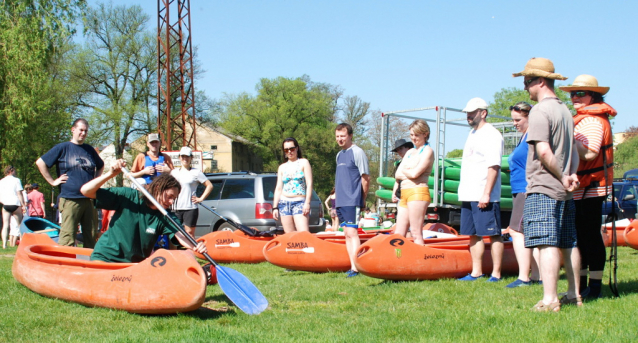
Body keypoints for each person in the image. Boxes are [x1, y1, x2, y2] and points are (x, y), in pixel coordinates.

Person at [514, 57, 581, 311]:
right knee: (568, 242)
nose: (525, 88)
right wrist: (571, 174)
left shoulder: (540, 111)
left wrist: (563, 176)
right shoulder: (565, 111)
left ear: (540, 81)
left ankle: (550, 299)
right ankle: (574, 294)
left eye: (527, 82)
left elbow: (542, 151)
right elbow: (573, 150)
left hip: (544, 187)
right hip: (564, 190)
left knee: (546, 242)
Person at [80, 159, 207, 263]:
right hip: (106, 257)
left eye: (174, 199)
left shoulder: (165, 216)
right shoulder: (129, 196)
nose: (171, 202)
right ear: (157, 188)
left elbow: (181, 235)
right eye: (169, 196)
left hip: (135, 264)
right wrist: (111, 174)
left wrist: (195, 245)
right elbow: (86, 191)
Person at [560, 75, 615, 299]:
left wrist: (570, 140)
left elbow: (591, 152)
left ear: (593, 95)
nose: (575, 97)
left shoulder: (592, 121)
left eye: (580, 93)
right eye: (573, 93)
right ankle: (582, 284)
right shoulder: (583, 118)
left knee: (589, 236)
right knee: (580, 237)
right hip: (582, 187)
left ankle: (594, 286)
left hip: (591, 186)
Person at [457, 97, 504, 282]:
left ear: (483, 113)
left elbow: (494, 166)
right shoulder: (472, 134)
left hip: (485, 195)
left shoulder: (492, 134)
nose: (468, 116)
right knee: (473, 234)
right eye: (467, 113)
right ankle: (476, 272)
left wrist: (486, 193)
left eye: (472, 112)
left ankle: (497, 273)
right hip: (469, 193)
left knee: (493, 234)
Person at [36, 118, 104, 248]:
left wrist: (96, 182)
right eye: (81, 130)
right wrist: (52, 181)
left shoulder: (89, 150)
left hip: (89, 199)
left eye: (86, 131)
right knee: (68, 237)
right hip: (70, 198)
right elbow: (40, 162)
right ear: (73, 130)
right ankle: (64, 265)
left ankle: (89, 266)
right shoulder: (63, 148)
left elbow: (101, 165)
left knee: (91, 236)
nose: (83, 133)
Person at [505, 102, 542, 288]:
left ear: (530, 117)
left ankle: (523, 277)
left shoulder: (532, 138)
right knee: (527, 234)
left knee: (516, 231)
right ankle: (536, 276)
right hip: (519, 189)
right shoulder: (523, 137)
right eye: (513, 120)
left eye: (518, 119)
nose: (514, 123)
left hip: (525, 189)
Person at [334, 123, 370, 277]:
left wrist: (362, 199)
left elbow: (366, 178)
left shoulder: (358, 152)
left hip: (352, 200)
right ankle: (352, 266)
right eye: (337, 136)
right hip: (340, 201)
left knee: (352, 232)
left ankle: (358, 267)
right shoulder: (339, 155)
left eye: (343, 136)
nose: (340, 139)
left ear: (350, 136)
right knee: (346, 233)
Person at [393, 120, 434, 245]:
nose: (413, 138)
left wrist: (408, 171)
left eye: (416, 135)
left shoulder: (428, 151)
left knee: (416, 233)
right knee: (398, 233)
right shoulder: (410, 152)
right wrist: (409, 172)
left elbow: (416, 173)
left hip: (418, 192)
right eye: (411, 135)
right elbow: (397, 174)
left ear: (425, 134)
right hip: (404, 193)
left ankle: (421, 262)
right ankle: (398, 260)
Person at [273, 138, 314, 233]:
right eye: (286, 150)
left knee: (303, 234)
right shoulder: (282, 167)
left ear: (297, 148)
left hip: (299, 202)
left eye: (292, 149)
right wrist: (275, 207)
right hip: (284, 203)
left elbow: (309, 183)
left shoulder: (304, 162)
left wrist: (307, 203)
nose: (289, 152)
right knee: (290, 236)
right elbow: (278, 188)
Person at [170, 146, 214, 236]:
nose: (185, 159)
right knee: (174, 234)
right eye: (183, 156)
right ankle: (175, 251)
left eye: (187, 156)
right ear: (179, 157)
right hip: (175, 208)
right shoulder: (174, 172)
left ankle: (190, 250)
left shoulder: (196, 172)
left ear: (191, 158)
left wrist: (200, 198)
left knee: (189, 234)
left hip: (190, 208)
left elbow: (209, 185)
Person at [0, 166, 27, 248]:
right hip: (15, 203)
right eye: (14, 170)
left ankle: (4, 244)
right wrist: (23, 205)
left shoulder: (1, 181)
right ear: (11, 171)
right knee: (19, 225)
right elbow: (19, 193)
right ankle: (22, 243)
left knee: (5, 225)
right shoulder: (16, 180)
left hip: (6, 204)